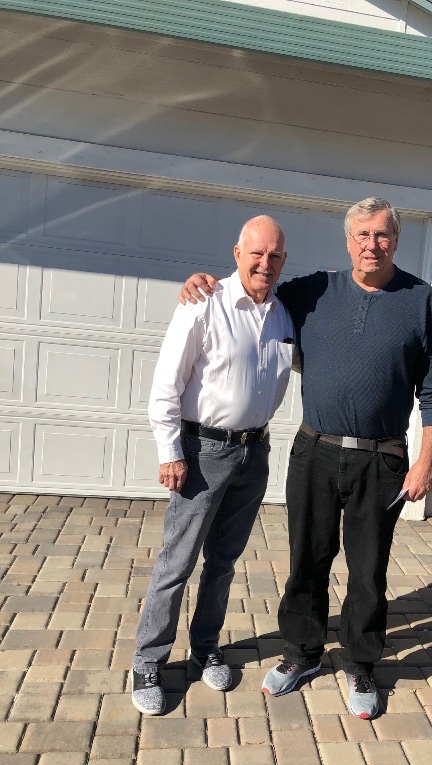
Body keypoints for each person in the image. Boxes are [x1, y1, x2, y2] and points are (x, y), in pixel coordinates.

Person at [178, 198, 432, 719]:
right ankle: (302, 653)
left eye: (382, 235)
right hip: (315, 452)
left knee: (368, 571)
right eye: (362, 235)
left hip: (382, 459)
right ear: (347, 241)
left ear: (396, 240)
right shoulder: (313, 292)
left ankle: (361, 663)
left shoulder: (420, 300)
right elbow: (254, 288)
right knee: (306, 560)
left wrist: (426, 462)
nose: (372, 245)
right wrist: (205, 283)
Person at [131, 215, 294, 716]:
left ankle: (205, 648)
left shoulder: (284, 315)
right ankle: (148, 661)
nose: (265, 263)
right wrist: (170, 451)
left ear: (283, 260)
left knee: (223, 562)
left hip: (254, 453)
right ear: (237, 253)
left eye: (274, 255)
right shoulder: (204, 302)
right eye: (256, 253)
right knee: (177, 563)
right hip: (203, 452)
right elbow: (167, 384)